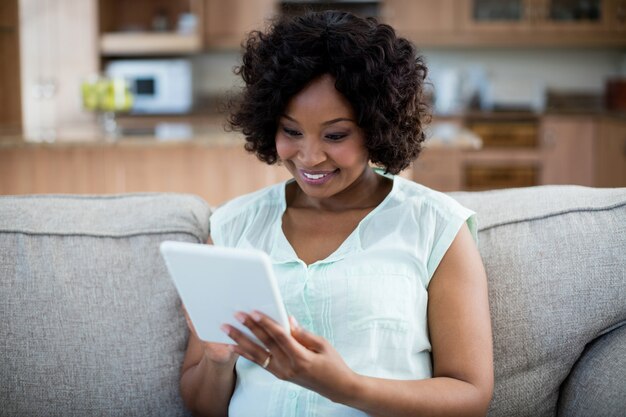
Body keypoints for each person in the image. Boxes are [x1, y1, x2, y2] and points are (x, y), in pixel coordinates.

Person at [180, 10, 493, 417]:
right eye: (291, 131)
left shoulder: (436, 227)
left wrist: (347, 388)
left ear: (376, 127)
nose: (310, 156)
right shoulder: (231, 228)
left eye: (335, 135)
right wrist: (218, 362)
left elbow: (470, 397)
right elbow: (202, 405)